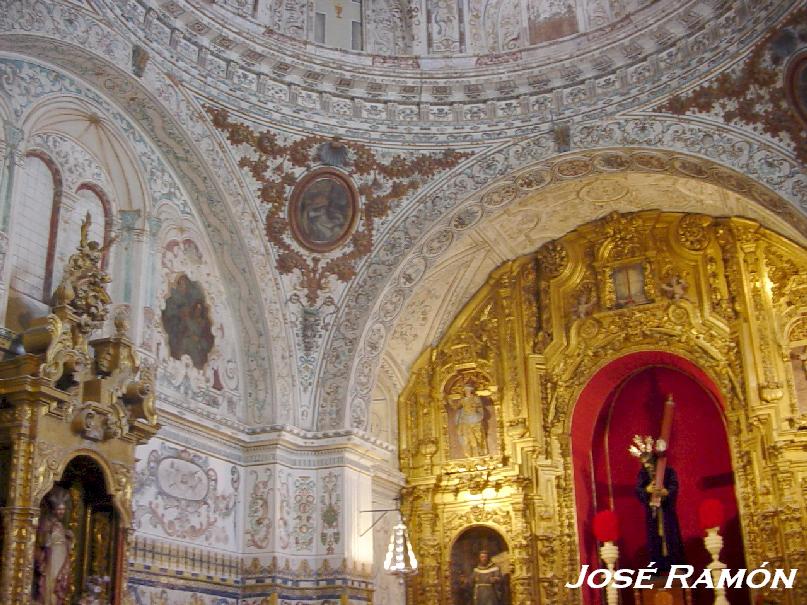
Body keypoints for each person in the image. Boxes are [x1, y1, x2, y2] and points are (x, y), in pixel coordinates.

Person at [634, 448, 685, 573]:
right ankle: (657, 566)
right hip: (653, 514)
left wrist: (665, 492)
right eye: (644, 463)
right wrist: (647, 490)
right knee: (654, 540)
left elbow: (674, 486)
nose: (647, 465)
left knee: (671, 537)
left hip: (667, 512)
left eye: (648, 461)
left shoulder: (668, 471)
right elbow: (638, 490)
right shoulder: (643, 474)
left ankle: (674, 564)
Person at [34, 488, 73, 605]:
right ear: (54, 510)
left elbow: (63, 543)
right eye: (59, 509)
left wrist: (68, 538)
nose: (62, 512)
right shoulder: (47, 523)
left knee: (59, 582)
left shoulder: (60, 525)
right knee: (50, 582)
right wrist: (49, 537)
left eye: (63, 509)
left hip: (60, 558)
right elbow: (42, 541)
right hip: (51, 559)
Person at [451, 383, 488, 457]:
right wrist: (449, 402)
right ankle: (469, 455)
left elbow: (480, 407)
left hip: (475, 420)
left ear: (471, 391)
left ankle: (477, 453)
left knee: (477, 438)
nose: (467, 391)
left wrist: (474, 409)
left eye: (468, 390)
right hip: (465, 421)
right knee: (466, 438)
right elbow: (456, 407)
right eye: (466, 390)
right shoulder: (463, 400)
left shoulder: (475, 398)